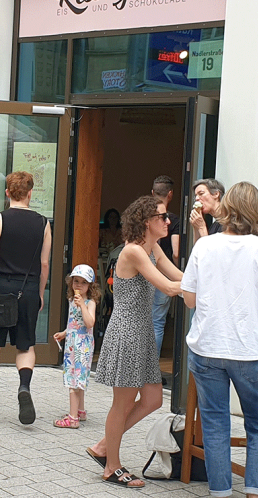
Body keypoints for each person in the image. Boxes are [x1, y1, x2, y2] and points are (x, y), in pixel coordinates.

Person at [182, 181, 258, 498]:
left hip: (208, 346)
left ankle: (220, 492)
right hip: (250, 351)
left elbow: (189, 299)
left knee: (214, 425)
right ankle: (255, 493)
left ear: (225, 208)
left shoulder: (205, 246)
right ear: (257, 213)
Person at [86, 195, 182, 489]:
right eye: (163, 217)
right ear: (146, 222)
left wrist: (206, 281)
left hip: (140, 333)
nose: (168, 222)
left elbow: (180, 276)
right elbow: (167, 286)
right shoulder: (134, 252)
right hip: (127, 332)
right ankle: (111, 467)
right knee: (122, 404)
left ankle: (103, 446)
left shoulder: (152, 247)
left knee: (153, 399)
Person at [0, 171, 51, 427]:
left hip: (2, 287)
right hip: (27, 289)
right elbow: (44, 263)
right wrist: (39, 293)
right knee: (25, 346)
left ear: (7, 193)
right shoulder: (43, 223)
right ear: (30, 193)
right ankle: (24, 386)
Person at [51, 264, 98, 429]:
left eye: (83, 282)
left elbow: (89, 322)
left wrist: (83, 306)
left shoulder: (89, 302)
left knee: (75, 380)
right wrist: (64, 333)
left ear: (90, 286)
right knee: (77, 378)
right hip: (72, 343)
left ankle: (72, 419)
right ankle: (80, 411)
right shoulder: (72, 300)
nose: (78, 285)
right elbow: (74, 323)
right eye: (75, 281)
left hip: (81, 346)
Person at [150, 175, 182, 356]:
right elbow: (176, 252)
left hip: (147, 274)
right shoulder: (174, 220)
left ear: (153, 192)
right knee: (157, 322)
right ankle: (151, 369)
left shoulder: (143, 219)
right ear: (170, 194)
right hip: (165, 275)